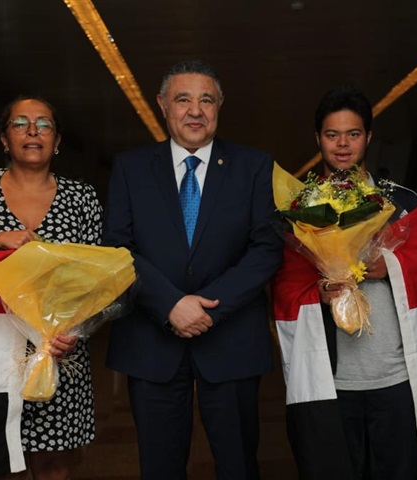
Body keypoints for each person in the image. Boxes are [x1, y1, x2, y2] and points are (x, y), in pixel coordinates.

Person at [272, 86, 417, 479]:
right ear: (318, 139)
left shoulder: (401, 203)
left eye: (353, 134)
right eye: (332, 135)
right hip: (332, 382)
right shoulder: (300, 211)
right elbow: (284, 288)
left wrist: (389, 265)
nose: (342, 145)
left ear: (368, 137)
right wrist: (319, 290)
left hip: (397, 377)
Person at [103, 60, 282, 480]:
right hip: (151, 341)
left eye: (207, 100)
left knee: (239, 466)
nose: (195, 111)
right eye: (183, 99)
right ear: (163, 105)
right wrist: (169, 304)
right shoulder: (130, 168)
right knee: (160, 468)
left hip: (232, 338)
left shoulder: (255, 166)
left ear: (220, 105)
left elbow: (266, 249)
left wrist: (208, 308)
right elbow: (117, 247)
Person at [0, 96, 103, 480]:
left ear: (58, 141)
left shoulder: (82, 198)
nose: (33, 131)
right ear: (5, 139)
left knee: (54, 463)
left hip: (58, 352)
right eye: (20, 123)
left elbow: (98, 280)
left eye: (44, 124)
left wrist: (74, 332)